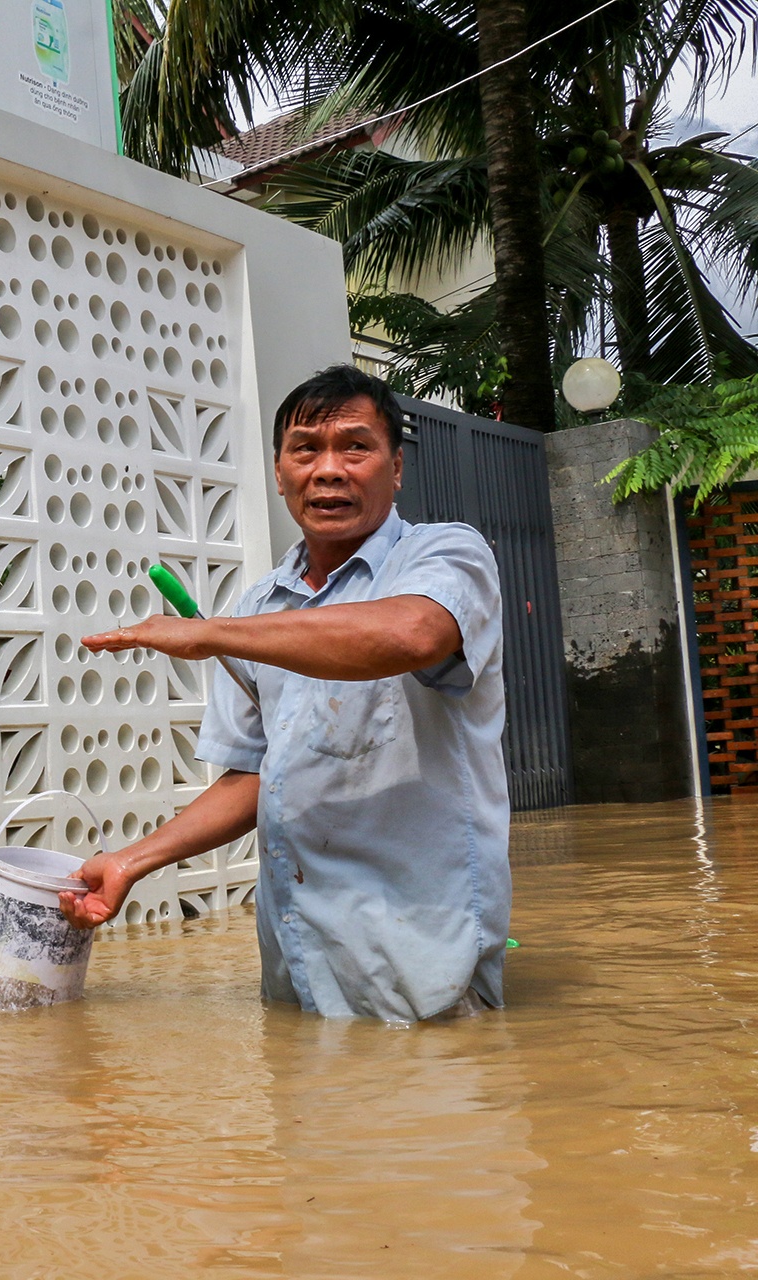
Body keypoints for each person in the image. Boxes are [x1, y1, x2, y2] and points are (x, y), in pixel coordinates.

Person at [62, 365, 510, 1021]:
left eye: (356, 447)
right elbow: (254, 776)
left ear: (397, 469)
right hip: (298, 966)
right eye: (306, 449)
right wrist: (132, 861)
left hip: (424, 976)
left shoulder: (444, 555)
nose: (329, 470)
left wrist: (214, 634)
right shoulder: (258, 609)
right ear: (279, 473)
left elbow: (413, 634)